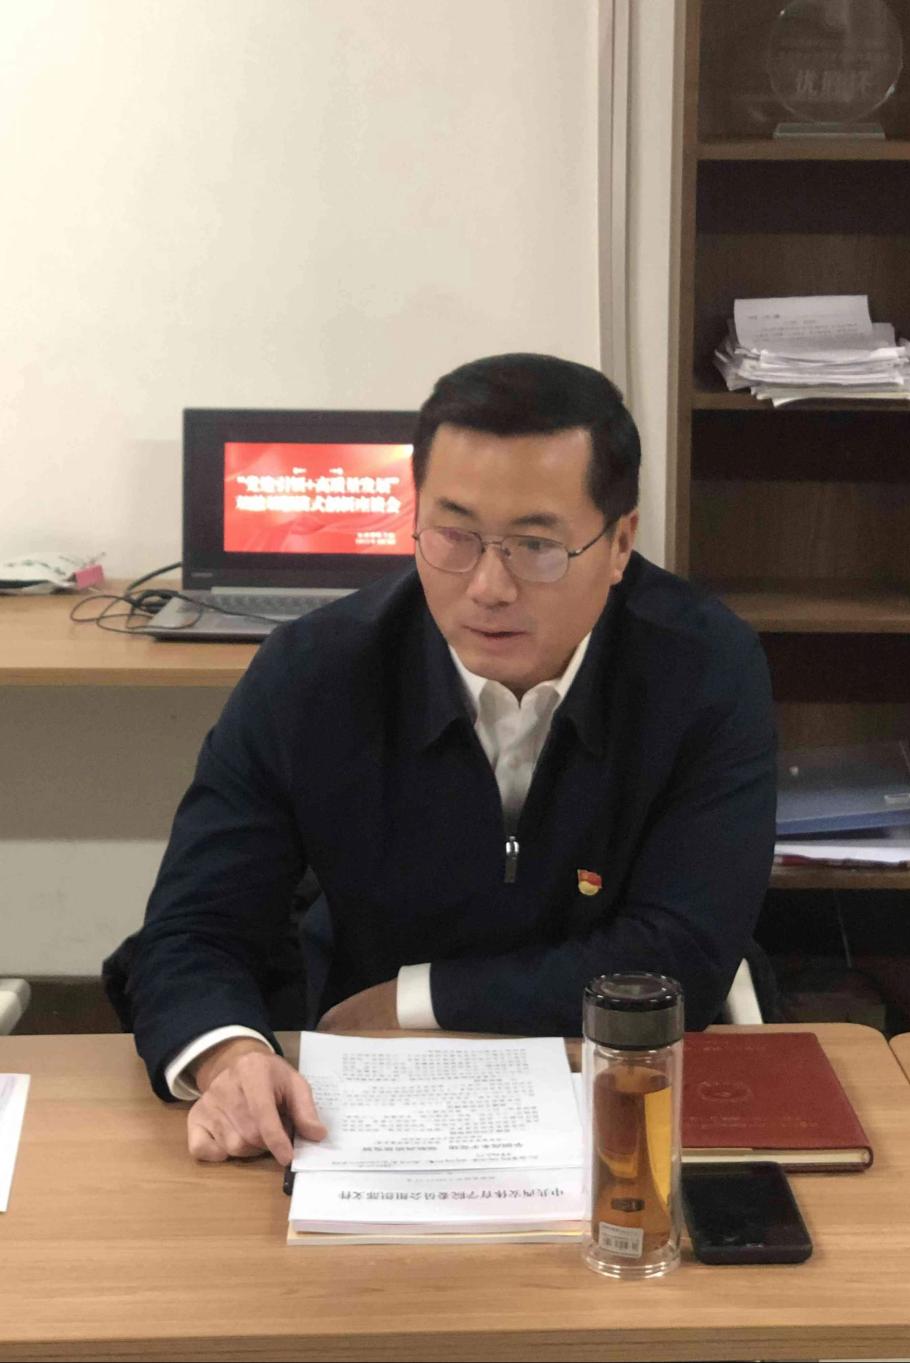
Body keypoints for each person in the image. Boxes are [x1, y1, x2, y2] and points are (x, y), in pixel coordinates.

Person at [121, 353, 777, 1164]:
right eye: (453, 536)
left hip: (618, 1080)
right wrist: (230, 1055)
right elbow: (193, 928)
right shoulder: (314, 673)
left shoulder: (704, 668)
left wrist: (414, 1000)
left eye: (536, 545)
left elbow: (681, 954)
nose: (489, 586)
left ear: (619, 543)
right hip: (371, 1095)